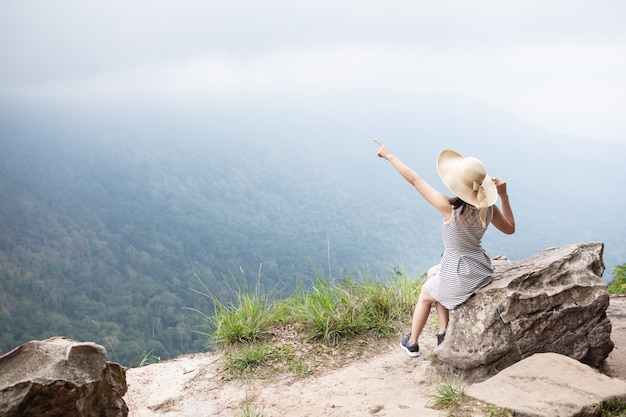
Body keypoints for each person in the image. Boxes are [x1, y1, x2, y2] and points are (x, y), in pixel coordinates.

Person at [374, 139, 515, 357]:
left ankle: (411, 343)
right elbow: (510, 229)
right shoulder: (489, 208)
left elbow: (414, 179)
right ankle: (443, 331)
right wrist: (504, 196)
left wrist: (390, 156)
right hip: (478, 270)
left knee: (425, 294)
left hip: (459, 274)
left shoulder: (450, 208)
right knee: (433, 273)